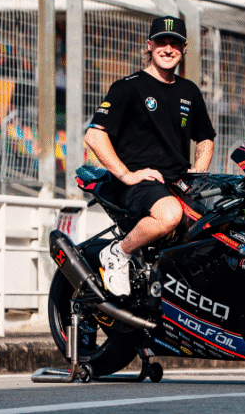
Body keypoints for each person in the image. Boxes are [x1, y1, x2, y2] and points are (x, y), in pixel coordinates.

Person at [85, 16, 216, 296]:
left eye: (175, 44)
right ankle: (118, 253)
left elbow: (205, 138)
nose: (168, 49)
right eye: (161, 42)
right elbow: (95, 135)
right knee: (169, 215)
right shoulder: (128, 87)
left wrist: (199, 173)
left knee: (219, 223)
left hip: (177, 183)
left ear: (184, 48)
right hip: (138, 184)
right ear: (149, 45)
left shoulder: (188, 91)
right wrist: (127, 175)